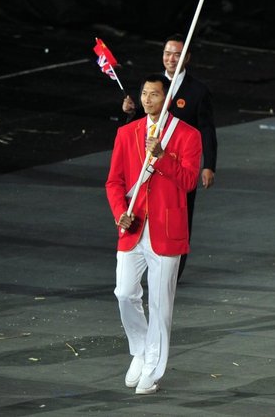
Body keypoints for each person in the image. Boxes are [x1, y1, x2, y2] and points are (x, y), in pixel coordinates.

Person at [105, 74, 202, 395]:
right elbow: (114, 182)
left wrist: (162, 157)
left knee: (161, 304)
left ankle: (153, 369)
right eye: (144, 94)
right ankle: (140, 349)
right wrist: (120, 212)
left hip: (166, 227)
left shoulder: (188, 135)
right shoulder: (126, 133)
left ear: (168, 97)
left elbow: (189, 181)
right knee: (124, 293)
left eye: (154, 94)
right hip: (132, 227)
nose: (147, 99)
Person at [122, 35, 218, 280]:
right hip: (147, 165)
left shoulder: (198, 91)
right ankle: (145, 260)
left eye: (177, 54)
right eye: (167, 53)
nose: (171, 58)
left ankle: (174, 270)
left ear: (187, 58)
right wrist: (130, 112)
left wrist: (209, 165)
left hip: (181, 166)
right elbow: (138, 123)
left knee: (180, 216)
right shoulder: (152, 84)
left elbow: (207, 129)